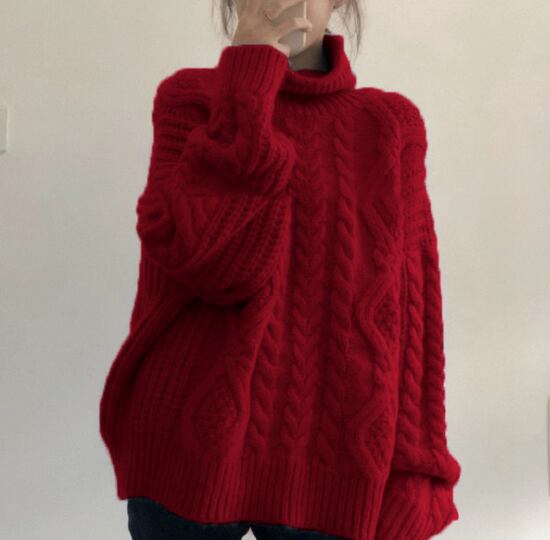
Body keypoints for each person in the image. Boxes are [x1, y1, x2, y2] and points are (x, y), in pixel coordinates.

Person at [98, 1, 462, 539]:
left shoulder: (391, 124)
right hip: (184, 449)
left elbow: (414, 311)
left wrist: (416, 473)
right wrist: (248, 78)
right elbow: (210, 262)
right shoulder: (188, 101)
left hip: (335, 463)